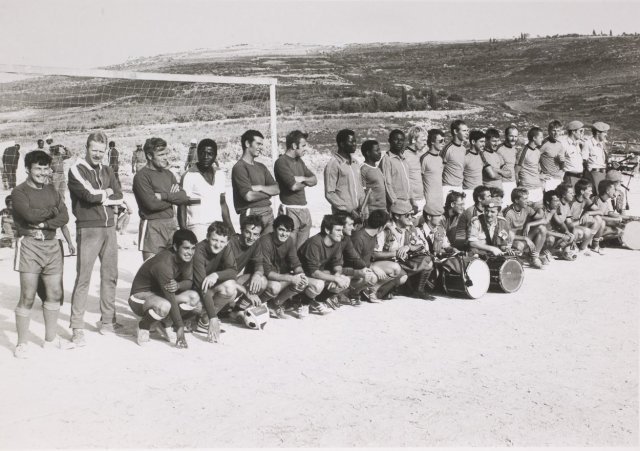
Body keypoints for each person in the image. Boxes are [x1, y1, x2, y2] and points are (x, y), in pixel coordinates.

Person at [11, 150, 71, 358]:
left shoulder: (52, 189)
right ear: (27, 169)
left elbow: (65, 216)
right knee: (27, 296)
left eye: (46, 169)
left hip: (52, 244)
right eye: (38, 168)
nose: (43, 173)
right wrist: (52, 212)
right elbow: (28, 215)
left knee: (54, 293)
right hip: (29, 244)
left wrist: (45, 223)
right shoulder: (19, 191)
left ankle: (50, 340)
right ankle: (22, 344)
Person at [67, 132, 124, 346]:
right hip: (88, 227)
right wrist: (107, 193)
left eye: (102, 151)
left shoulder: (108, 170)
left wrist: (105, 195)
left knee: (110, 276)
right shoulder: (76, 169)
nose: (98, 154)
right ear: (86, 148)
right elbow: (88, 196)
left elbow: (119, 195)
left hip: (109, 228)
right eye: (94, 150)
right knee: (83, 278)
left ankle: (107, 322)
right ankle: (77, 327)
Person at [128, 229, 201, 348]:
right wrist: (180, 328)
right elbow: (170, 297)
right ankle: (143, 325)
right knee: (164, 306)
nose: (190, 252)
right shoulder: (163, 263)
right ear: (176, 247)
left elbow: (188, 281)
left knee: (194, 298)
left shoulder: (186, 257)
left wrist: (178, 285)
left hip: (160, 295)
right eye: (186, 248)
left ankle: (165, 323)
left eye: (193, 248)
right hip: (139, 297)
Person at [133, 137, 190, 260]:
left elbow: (183, 197)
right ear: (149, 156)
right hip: (152, 227)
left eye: (166, 154)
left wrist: (164, 196)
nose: (165, 157)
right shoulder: (141, 177)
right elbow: (151, 204)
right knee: (152, 267)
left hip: (171, 224)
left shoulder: (168, 174)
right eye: (161, 155)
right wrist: (173, 198)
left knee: (173, 266)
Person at [252, 214, 314, 319]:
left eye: (288, 231)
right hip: (261, 278)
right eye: (281, 230)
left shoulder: (289, 240)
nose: (284, 234)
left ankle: (274, 305)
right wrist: (291, 278)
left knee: (301, 282)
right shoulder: (265, 241)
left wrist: (301, 275)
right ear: (274, 228)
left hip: (277, 275)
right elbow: (267, 272)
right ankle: (255, 305)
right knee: (274, 287)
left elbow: (295, 263)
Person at [191, 221, 242, 343]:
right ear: (207, 237)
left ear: (227, 242)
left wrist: (216, 275)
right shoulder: (198, 251)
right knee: (194, 300)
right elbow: (202, 287)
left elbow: (233, 271)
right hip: (193, 290)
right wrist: (213, 318)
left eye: (222, 241)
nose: (218, 245)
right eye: (214, 240)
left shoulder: (226, 247)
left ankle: (203, 320)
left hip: (206, 288)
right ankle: (192, 319)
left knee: (231, 288)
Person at [375, 200, 435, 300]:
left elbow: (421, 245)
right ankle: (380, 291)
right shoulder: (385, 230)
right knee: (402, 277)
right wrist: (395, 253)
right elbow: (374, 254)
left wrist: (409, 247)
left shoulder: (410, 228)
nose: (411, 218)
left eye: (412, 214)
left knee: (428, 261)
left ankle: (418, 290)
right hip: (387, 263)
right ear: (397, 216)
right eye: (407, 215)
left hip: (402, 262)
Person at [297, 214, 352, 315]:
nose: (341, 234)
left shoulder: (336, 242)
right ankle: (304, 304)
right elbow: (313, 272)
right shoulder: (314, 243)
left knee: (345, 280)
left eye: (341, 230)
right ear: (327, 230)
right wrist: (335, 278)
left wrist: (337, 275)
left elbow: (337, 264)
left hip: (316, 273)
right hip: (300, 275)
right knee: (319, 284)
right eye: (338, 230)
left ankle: (317, 301)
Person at [178, 138, 232, 241]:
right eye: (202, 153)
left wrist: (231, 229)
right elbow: (182, 205)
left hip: (217, 226)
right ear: (198, 154)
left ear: (215, 155)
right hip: (197, 226)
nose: (206, 157)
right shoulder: (189, 176)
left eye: (210, 154)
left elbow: (223, 203)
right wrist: (184, 233)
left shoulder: (220, 174)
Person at [351, 209, 407, 303]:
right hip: (354, 269)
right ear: (381, 227)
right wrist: (372, 268)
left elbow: (386, 224)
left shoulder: (372, 232)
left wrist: (392, 229)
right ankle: (354, 292)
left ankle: (372, 292)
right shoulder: (358, 238)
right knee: (372, 277)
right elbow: (353, 262)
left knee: (396, 268)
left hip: (366, 265)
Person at [274, 130, 317, 248]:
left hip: (304, 210)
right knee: (287, 250)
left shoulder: (300, 161)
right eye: (303, 145)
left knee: (301, 250)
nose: (305, 148)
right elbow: (293, 186)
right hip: (290, 211)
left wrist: (301, 178)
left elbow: (314, 180)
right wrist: (306, 181)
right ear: (294, 146)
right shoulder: (281, 162)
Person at [231, 129, 279, 234]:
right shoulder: (239, 167)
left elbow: (277, 189)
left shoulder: (261, 167)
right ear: (247, 144)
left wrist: (260, 187)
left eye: (261, 144)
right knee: (253, 244)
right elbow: (249, 196)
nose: (261, 147)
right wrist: (268, 194)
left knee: (269, 244)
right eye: (258, 144)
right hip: (252, 213)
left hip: (268, 213)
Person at [334, 212, 377, 306]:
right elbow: (331, 268)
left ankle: (349, 293)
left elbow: (355, 257)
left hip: (340, 270)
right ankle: (331, 296)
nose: (353, 228)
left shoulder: (346, 238)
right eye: (350, 225)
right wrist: (356, 272)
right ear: (340, 226)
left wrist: (364, 268)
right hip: (326, 273)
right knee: (349, 277)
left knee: (369, 275)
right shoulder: (330, 241)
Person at [325, 129, 365, 220]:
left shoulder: (355, 163)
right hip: (342, 216)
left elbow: (360, 188)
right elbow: (329, 193)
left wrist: (363, 207)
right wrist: (349, 210)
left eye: (355, 141)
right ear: (342, 144)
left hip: (359, 214)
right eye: (351, 142)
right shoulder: (334, 164)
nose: (355, 144)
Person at [502, 187, 546, 268]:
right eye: (525, 199)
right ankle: (519, 258)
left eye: (527, 198)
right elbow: (504, 234)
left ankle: (534, 258)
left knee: (542, 228)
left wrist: (529, 224)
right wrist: (525, 238)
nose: (528, 201)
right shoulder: (508, 213)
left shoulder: (526, 209)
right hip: (512, 241)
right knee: (519, 246)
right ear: (516, 200)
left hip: (523, 238)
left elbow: (543, 220)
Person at [380, 129, 416, 213]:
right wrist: (395, 203)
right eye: (396, 139)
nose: (399, 142)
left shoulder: (403, 159)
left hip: (407, 203)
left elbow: (408, 181)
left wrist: (412, 201)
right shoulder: (387, 160)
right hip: (397, 205)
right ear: (390, 141)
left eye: (402, 140)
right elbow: (387, 184)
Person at [570, 178, 606, 255]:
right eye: (589, 191)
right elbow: (569, 224)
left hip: (578, 225)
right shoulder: (572, 202)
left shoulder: (586, 200)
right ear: (582, 192)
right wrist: (583, 221)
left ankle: (583, 248)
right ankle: (574, 246)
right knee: (587, 229)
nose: (591, 193)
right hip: (571, 228)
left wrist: (588, 213)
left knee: (599, 219)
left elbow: (600, 212)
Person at [555, 183, 593, 255]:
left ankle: (571, 248)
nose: (573, 195)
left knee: (586, 231)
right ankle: (563, 249)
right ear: (563, 195)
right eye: (570, 193)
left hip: (563, 229)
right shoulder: (558, 204)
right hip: (556, 230)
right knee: (577, 232)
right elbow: (560, 223)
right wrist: (581, 221)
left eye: (573, 193)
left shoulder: (566, 204)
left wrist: (573, 229)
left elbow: (569, 223)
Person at [540, 190, 576, 260]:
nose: (558, 203)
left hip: (550, 234)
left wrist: (567, 232)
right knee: (551, 239)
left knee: (569, 236)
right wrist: (562, 235)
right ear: (547, 202)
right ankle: (541, 254)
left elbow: (561, 223)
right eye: (556, 201)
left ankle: (556, 252)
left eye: (558, 200)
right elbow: (543, 231)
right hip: (541, 236)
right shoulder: (541, 211)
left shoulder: (553, 210)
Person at [453, 185, 491, 250]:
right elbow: (471, 238)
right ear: (479, 199)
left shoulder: (486, 210)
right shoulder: (471, 212)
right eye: (488, 196)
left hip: (475, 240)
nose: (491, 198)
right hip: (464, 244)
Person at [514, 127, 544, 204]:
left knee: (540, 210)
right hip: (527, 189)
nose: (542, 139)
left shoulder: (537, 151)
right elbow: (516, 172)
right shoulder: (523, 152)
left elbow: (535, 169)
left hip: (538, 188)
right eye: (540, 137)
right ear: (534, 138)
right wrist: (519, 186)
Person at [420, 129, 445, 220]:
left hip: (440, 200)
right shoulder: (424, 158)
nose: (443, 143)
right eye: (441, 141)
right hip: (429, 201)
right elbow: (420, 179)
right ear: (432, 142)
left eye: (444, 140)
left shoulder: (440, 159)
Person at [441, 119, 468, 199]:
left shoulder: (463, 149)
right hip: (448, 188)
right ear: (455, 131)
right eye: (464, 131)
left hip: (460, 187)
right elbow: (440, 169)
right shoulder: (447, 149)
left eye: (467, 130)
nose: (467, 133)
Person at [360, 140, 386, 221]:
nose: (380, 152)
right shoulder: (363, 169)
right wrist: (366, 212)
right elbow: (362, 193)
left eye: (379, 150)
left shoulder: (378, 168)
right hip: (372, 211)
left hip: (383, 209)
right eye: (376, 150)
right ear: (368, 153)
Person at [405, 125, 428, 212]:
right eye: (423, 140)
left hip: (422, 198)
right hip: (411, 201)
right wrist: (411, 200)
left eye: (426, 140)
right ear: (414, 139)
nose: (425, 143)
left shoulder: (421, 154)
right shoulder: (404, 155)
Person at [582, 122, 610, 195]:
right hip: (593, 175)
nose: (606, 134)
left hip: (603, 174)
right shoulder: (588, 143)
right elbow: (584, 161)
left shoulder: (603, 144)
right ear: (597, 132)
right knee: (596, 195)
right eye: (604, 132)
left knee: (603, 195)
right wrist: (589, 175)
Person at [539, 120, 565, 192]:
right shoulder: (543, 143)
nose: (556, 133)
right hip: (548, 179)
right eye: (554, 130)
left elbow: (562, 163)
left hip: (558, 178)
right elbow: (534, 159)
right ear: (549, 131)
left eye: (558, 131)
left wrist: (562, 166)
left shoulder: (560, 144)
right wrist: (538, 175)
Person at [462, 130, 486, 205]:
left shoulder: (481, 155)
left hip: (480, 193)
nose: (484, 144)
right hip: (468, 193)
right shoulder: (465, 156)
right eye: (481, 141)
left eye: (484, 142)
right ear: (473, 142)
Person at [496, 125, 519, 202]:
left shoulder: (514, 149)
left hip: (513, 183)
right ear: (505, 136)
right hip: (503, 184)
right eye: (511, 136)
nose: (513, 139)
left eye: (515, 136)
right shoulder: (499, 149)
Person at [561, 120, 586, 188]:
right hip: (570, 177)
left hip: (579, 177)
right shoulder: (564, 144)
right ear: (573, 132)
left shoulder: (578, 144)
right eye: (581, 131)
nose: (582, 133)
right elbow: (560, 161)